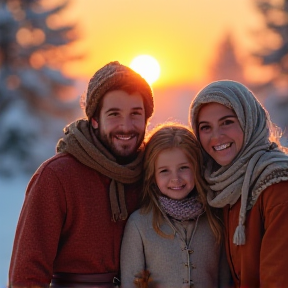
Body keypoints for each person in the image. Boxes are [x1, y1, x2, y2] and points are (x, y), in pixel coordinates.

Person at [8, 61, 154, 288]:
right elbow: (27, 274)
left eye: (135, 114)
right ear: (94, 119)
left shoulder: (155, 172)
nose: (126, 126)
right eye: (114, 114)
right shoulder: (57, 176)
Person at [189, 80, 288, 288]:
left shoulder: (277, 184)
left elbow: (279, 278)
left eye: (227, 122)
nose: (217, 136)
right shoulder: (223, 183)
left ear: (249, 120)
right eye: (205, 127)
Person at [120, 123, 232, 288]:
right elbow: (131, 282)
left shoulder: (215, 219)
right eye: (164, 171)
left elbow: (225, 280)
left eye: (184, 168)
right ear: (152, 175)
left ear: (197, 168)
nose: (176, 179)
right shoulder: (139, 224)